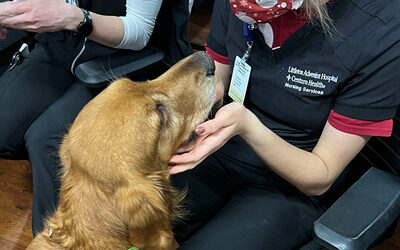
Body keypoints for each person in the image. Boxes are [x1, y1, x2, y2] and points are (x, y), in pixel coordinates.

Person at [169, 0, 400, 249]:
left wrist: (247, 125)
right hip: (221, 147)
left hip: (292, 183)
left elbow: (319, 176)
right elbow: (218, 78)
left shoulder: (379, 28)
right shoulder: (241, 5)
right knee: (126, 218)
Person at [0, 0, 162, 235]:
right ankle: (78, 182)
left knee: (48, 142)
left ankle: (59, 237)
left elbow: (139, 32)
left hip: (117, 61)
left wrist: (72, 17)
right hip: (59, 47)